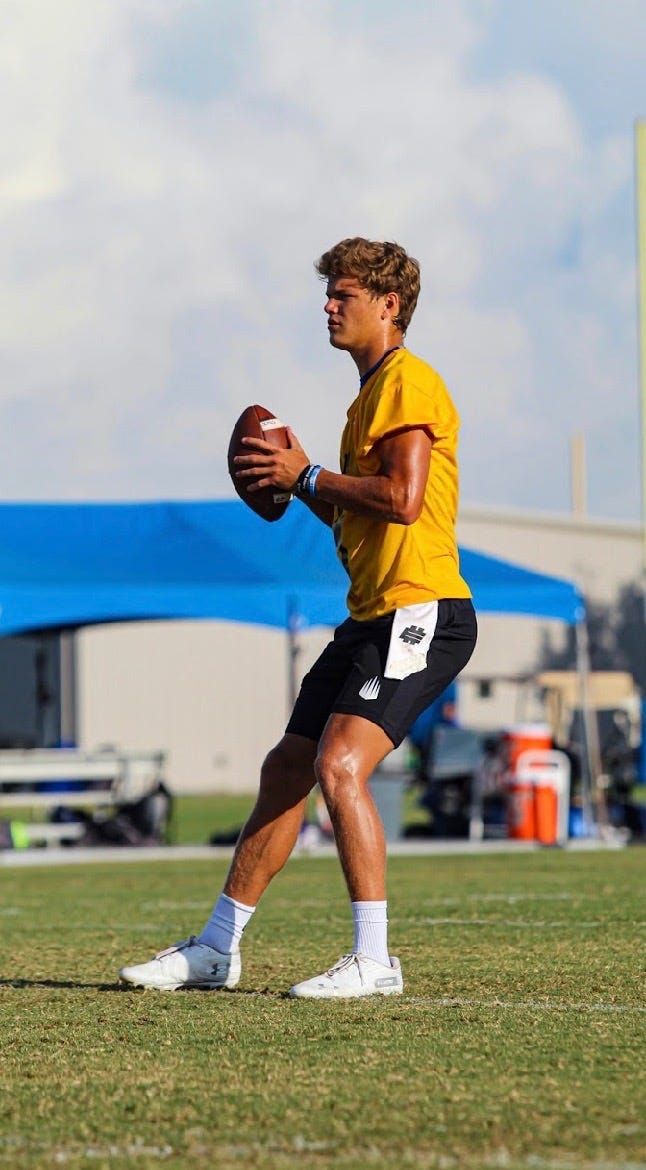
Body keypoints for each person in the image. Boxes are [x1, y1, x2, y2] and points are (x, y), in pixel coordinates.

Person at [119, 237, 477, 999]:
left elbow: (403, 500)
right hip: (371, 616)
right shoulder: (366, 400)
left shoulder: (407, 383)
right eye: (328, 293)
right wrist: (305, 483)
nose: (328, 305)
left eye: (343, 294)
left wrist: (308, 473)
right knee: (287, 767)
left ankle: (376, 961)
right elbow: (363, 509)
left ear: (389, 306)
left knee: (339, 765)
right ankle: (217, 947)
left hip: (421, 612)